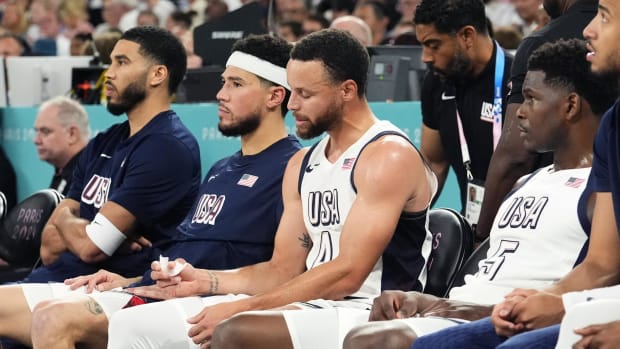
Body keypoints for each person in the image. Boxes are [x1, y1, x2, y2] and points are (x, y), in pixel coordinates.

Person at [104, 28, 437, 349]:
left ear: (347, 90)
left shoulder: (387, 155)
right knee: (132, 324)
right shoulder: (303, 164)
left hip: (371, 310)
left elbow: (348, 273)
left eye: (306, 95)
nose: (292, 105)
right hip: (315, 303)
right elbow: (282, 271)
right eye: (292, 92)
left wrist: (243, 307)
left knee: (237, 330)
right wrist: (206, 280)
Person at [0, 34, 301, 349]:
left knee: (54, 318)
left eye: (236, 84)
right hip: (155, 287)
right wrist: (131, 280)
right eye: (223, 82)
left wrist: (207, 282)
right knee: (48, 314)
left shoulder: (290, 167)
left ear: (275, 97)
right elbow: (185, 256)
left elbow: (283, 270)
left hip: (209, 301)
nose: (221, 94)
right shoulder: (220, 169)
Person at [341, 38, 618, 349]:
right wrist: (423, 300)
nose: (520, 113)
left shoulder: (601, 193)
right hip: (462, 311)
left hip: (510, 322)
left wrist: (447, 308)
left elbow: (554, 302)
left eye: (530, 99)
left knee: (373, 342)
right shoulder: (524, 183)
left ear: (570, 106)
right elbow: (482, 280)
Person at [409, 1, 620, 347]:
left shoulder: (587, 186)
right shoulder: (609, 128)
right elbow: (601, 264)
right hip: (520, 300)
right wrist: (553, 300)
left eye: (605, 16)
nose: (587, 29)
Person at [21, 25, 201, 284]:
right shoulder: (104, 141)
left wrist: (65, 220)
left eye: (122, 63)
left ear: (157, 74)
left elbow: (90, 249)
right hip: (59, 278)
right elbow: (48, 248)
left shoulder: (167, 146)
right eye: (111, 63)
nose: (109, 74)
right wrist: (72, 222)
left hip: (107, 287)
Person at [476, 0, 598, 242]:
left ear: (572, 105)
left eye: (531, 99)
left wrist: (481, 238)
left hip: (561, 212)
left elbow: (515, 156)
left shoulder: (542, 42)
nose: (589, 33)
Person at [415, 0, 513, 224]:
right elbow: (433, 162)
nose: (425, 57)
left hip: (521, 227)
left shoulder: (518, 78)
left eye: (433, 45)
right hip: (472, 223)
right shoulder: (436, 82)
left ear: (467, 36)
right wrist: (407, 222)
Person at [33, 96, 90, 196]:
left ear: (72, 134)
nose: (36, 140)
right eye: (37, 132)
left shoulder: (89, 178)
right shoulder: (63, 172)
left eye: (45, 131)